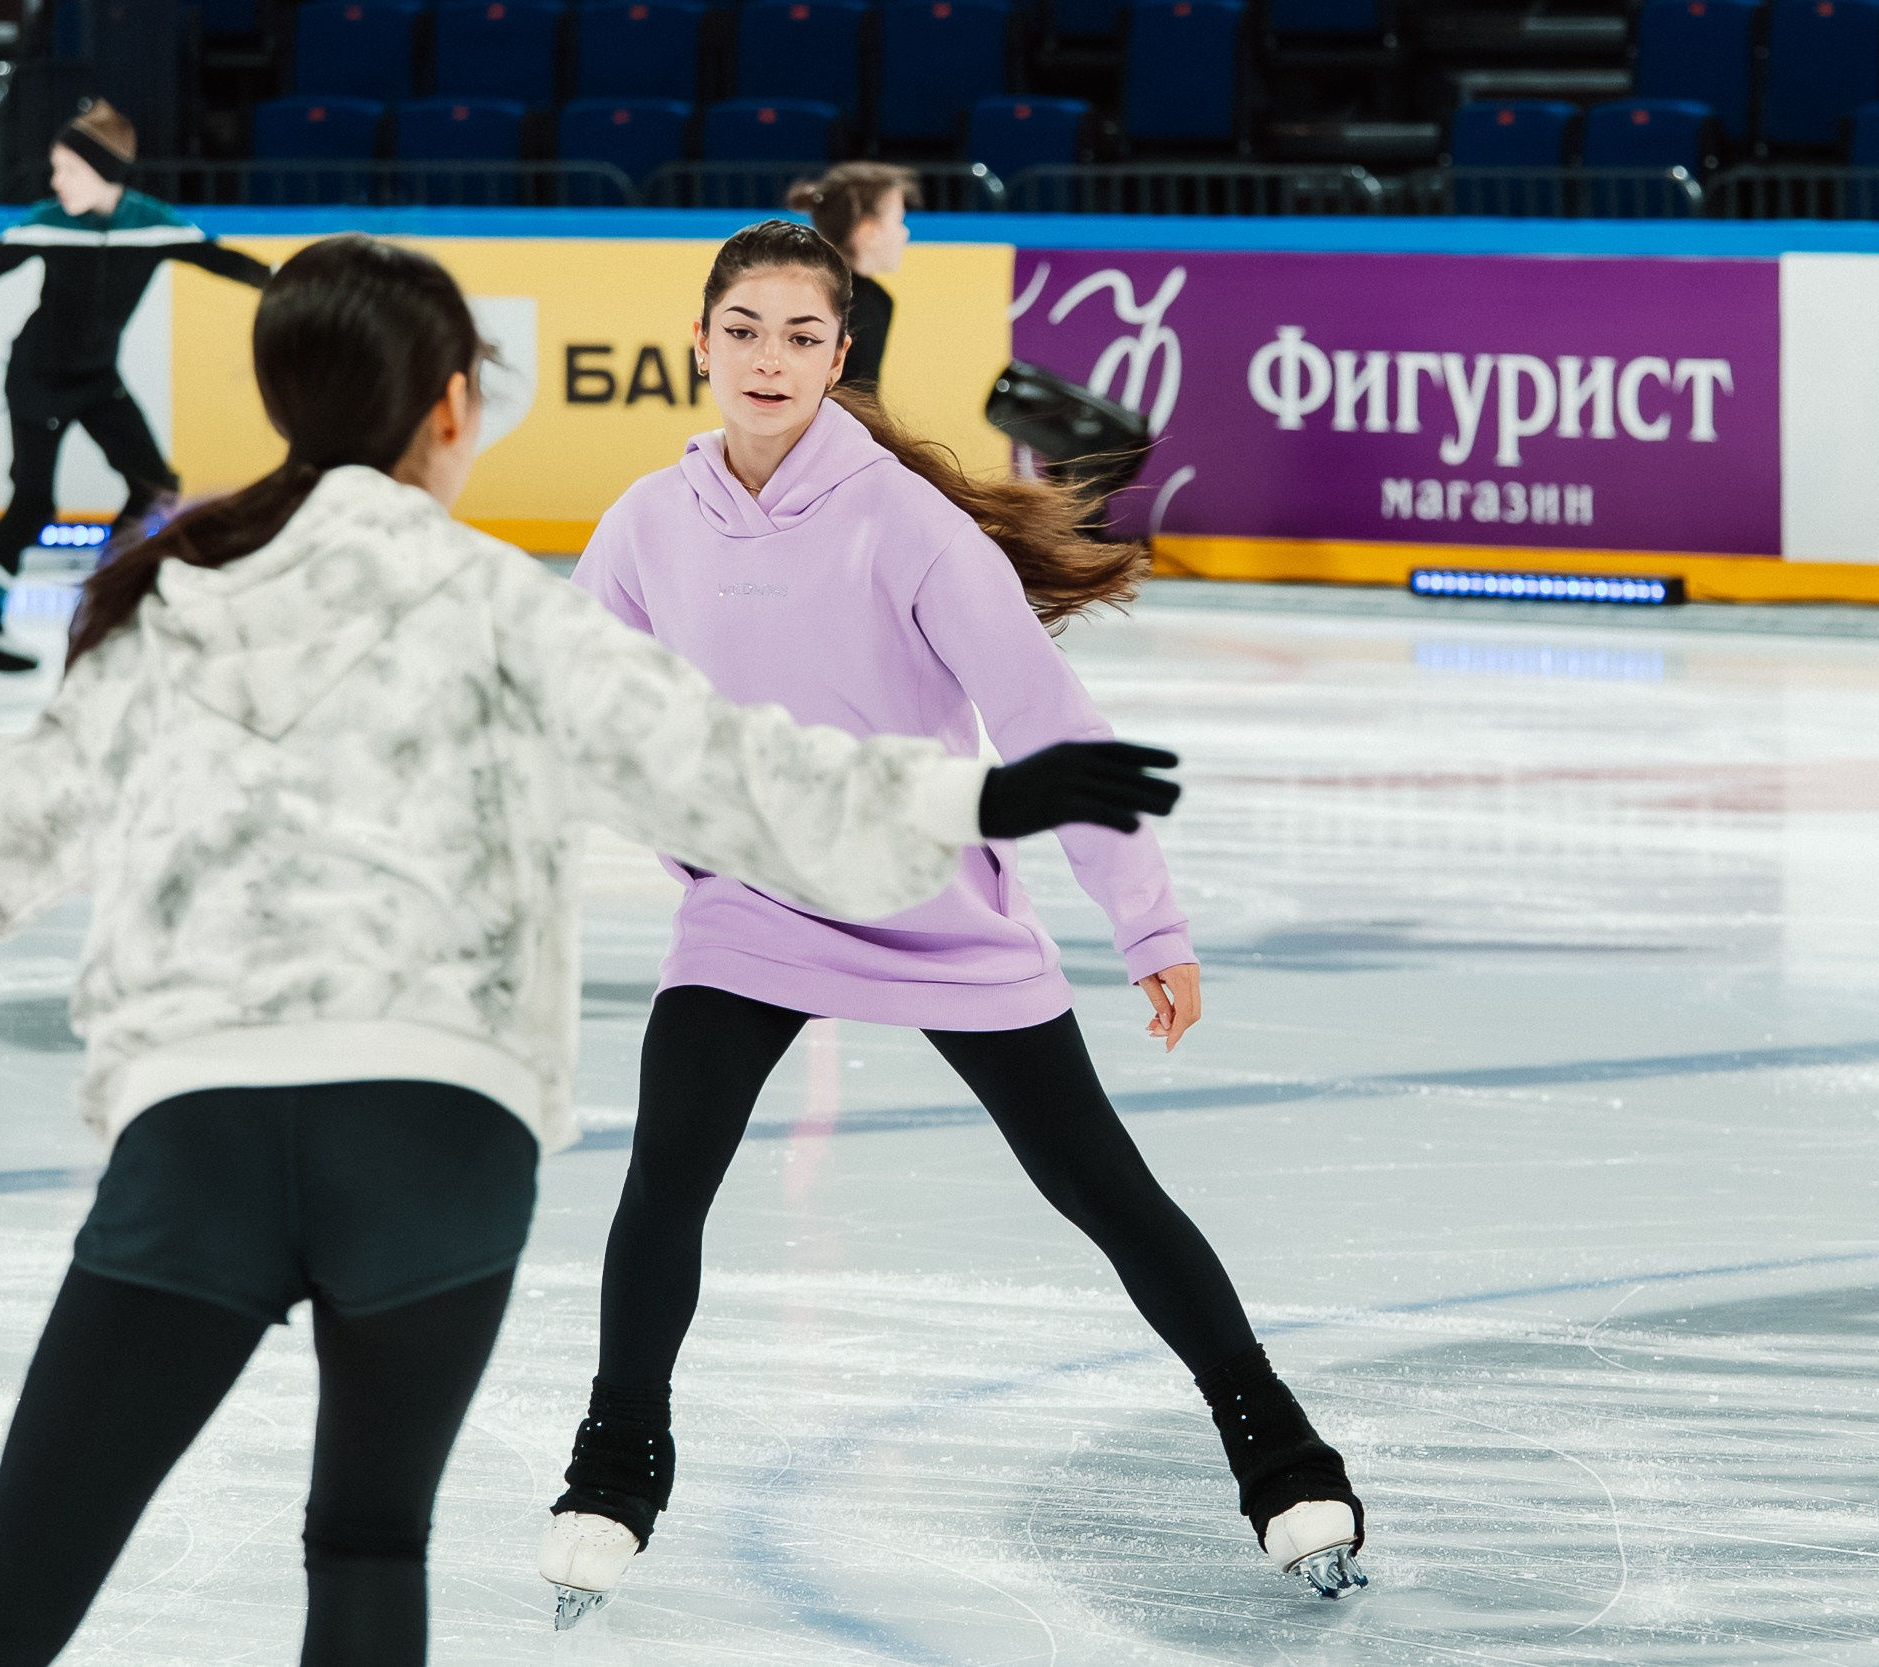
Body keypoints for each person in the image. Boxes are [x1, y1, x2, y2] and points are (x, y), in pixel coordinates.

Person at [0, 231, 1184, 1667]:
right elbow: (738, 776)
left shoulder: (171, 605)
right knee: (370, 1545)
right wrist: (979, 800)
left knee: (18, 1582)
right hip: (439, 1147)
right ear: (454, 409)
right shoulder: (509, 607)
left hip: (201, 1138)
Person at [536, 220, 1368, 1626]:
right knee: (664, 1178)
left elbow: (1050, 723)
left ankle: (1285, 1458)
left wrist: (1146, 924)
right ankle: (615, 1467)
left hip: (934, 909)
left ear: (840, 355)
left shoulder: (903, 521)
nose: (768, 358)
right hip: (753, 908)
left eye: (802, 335)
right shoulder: (646, 524)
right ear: (698, 340)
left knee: (1102, 1187)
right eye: (743, 328)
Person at [0, 99, 273, 674]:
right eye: (56, 168)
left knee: (155, 487)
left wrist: (297, 289)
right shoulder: (49, 224)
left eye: (67, 169)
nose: (56, 180)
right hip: (35, 380)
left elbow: (231, 266)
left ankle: (105, 594)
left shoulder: (153, 227)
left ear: (106, 170)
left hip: (97, 380)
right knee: (32, 504)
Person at [784, 162, 916, 390]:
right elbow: (857, 400)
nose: (905, 233)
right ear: (869, 231)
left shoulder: (872, 298)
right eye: (898, 220)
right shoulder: (860, 304)